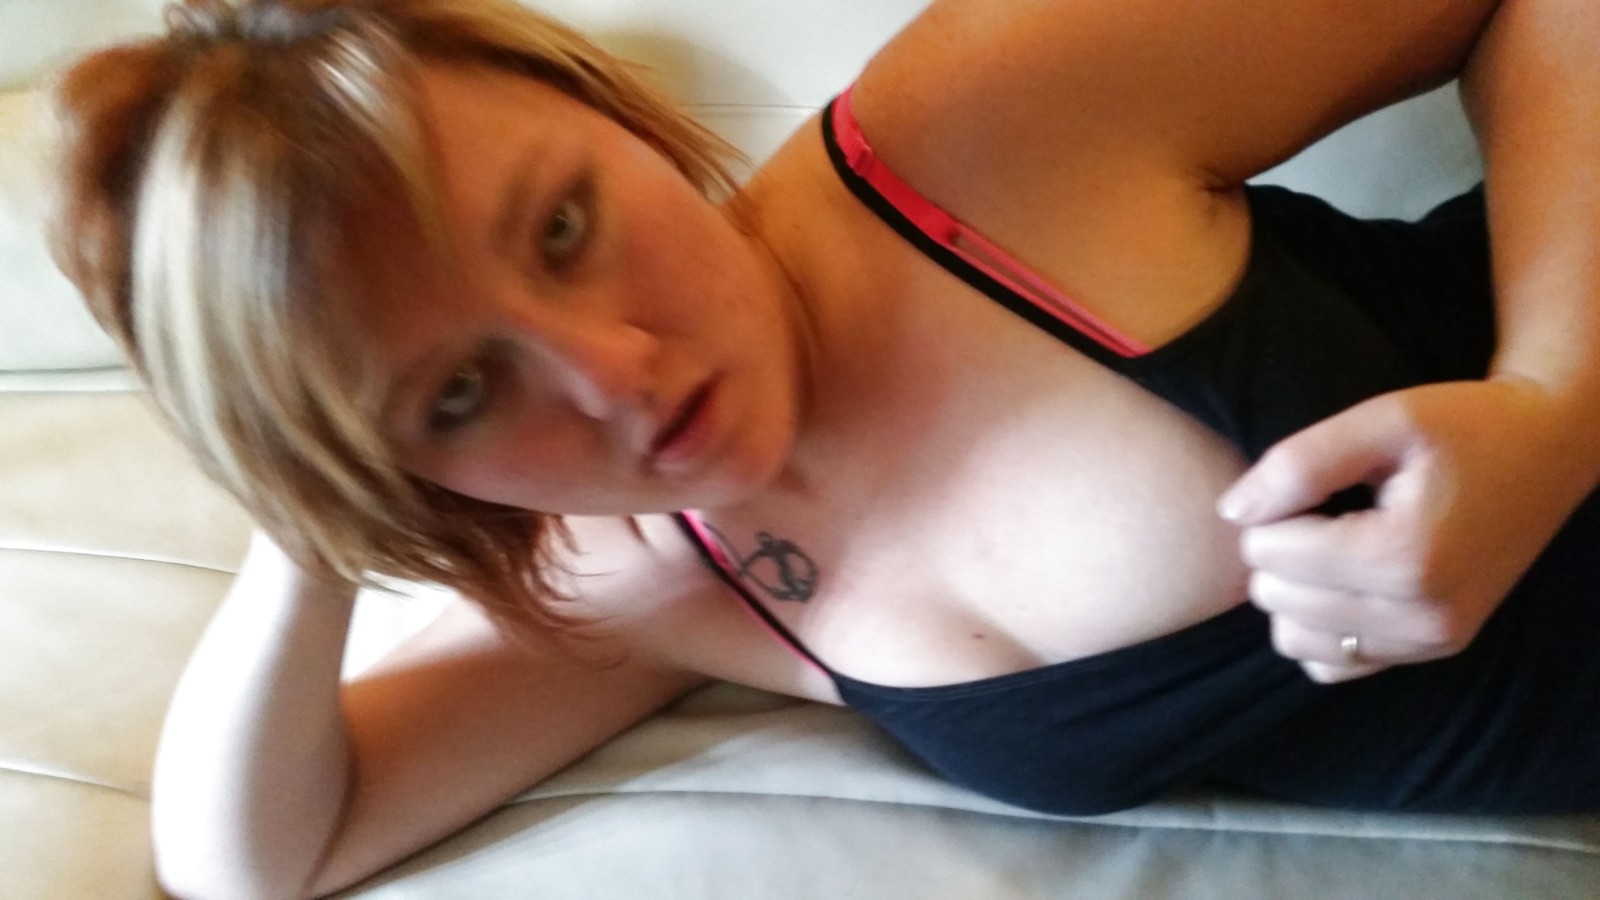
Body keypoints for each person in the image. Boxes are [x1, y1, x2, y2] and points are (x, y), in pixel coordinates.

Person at [46, 0, 1600, 895]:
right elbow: (256, 857)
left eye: (564, 225)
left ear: (611, 112)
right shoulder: (663, 577)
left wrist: (1551, 407)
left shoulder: (976, 137)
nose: (613, 375)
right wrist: (308, 507)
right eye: (458, 393)